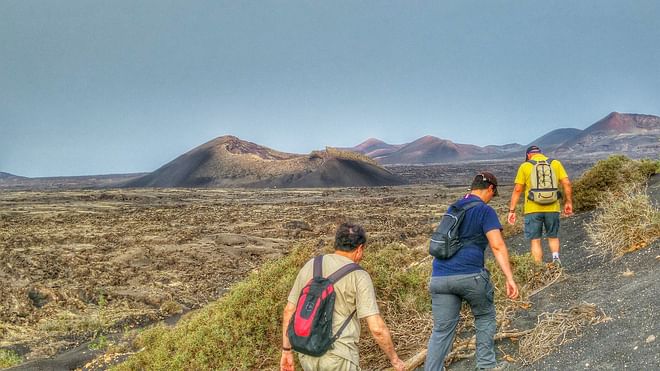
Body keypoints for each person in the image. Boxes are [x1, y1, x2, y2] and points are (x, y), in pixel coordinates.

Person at [280, 222, 406, 371]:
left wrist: (286, 351)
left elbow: (289, 311)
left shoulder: (311, 264)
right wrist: (395, 360)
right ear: (359, 249)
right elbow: (377, 328)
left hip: (307, 354)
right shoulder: (359, 275)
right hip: (339, 356)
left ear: (336, 243)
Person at [425, 172, 519, 371]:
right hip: (471, 276)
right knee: (485, 316)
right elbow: (497, 246)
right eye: (493, 195)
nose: (491, 199)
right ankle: (486, 366)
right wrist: (509, 278)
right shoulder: (485, 211)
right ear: (490, 189)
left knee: (442, 330)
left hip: (439, 278)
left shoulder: (454, 208)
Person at [507, 145, 573, 265]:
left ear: (528, 155)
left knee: (535, 240)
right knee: (553, 236)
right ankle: (556, 259)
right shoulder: (555, 163)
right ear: (541, 153)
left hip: (532, 210)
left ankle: (538, 266)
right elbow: (567, 183)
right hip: (553, 208)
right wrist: (568, 202)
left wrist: (512, 210)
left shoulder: (525, 166)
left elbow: (517, 189)